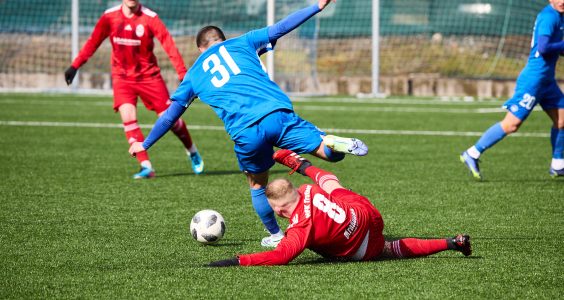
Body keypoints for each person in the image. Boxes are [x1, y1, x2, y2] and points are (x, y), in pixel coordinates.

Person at [128, 0, 368, 247]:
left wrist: (145, 144)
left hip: (246, 131)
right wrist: (316, 6)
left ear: (201, 49)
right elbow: (281, 28)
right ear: (222, 39)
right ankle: (330, 142)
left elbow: (169, 116)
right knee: (328, 153)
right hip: (277, 112)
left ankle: (276, 236)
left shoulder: (194, 75)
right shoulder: (244, 42)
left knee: (257, 183)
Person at [206, 149, 472, 267]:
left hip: (362, 247)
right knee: (336, 189)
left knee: (390, 250)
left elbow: (280, 256)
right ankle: (454, 241)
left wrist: (237, 260)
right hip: (368, 213)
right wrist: (301, 166)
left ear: (279, 211)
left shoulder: (300, 228)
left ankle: (451, 243)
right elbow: (327, 179)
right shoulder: (309, 190)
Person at [64, 0, 204, 179]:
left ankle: (191, 151)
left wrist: (183, 74)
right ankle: (146, 166)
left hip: (149, 77)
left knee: (171, 120)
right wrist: (75, 66)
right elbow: (93, 42)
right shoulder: (109, 17)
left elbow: (168, 44)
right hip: (122, 78)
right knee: (128, 119)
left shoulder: (150, 18)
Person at [460, 0, 564, 180]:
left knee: (562, 120)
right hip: (533, 81)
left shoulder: (560, 16)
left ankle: (558, 164)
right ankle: (472, 153)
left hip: (547, 81)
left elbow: (556, 49)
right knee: (511, 125)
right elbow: (544, 47)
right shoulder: (549, 17)